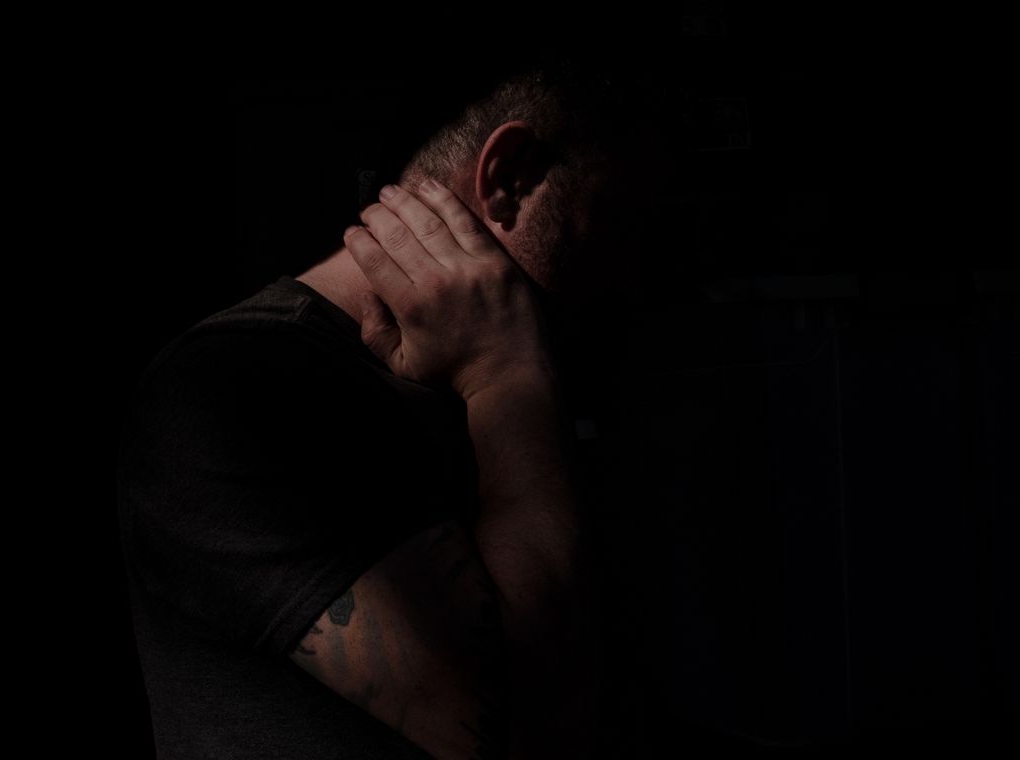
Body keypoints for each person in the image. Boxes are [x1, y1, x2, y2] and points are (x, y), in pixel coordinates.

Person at [117, 59, 684, 759]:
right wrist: (505, 379)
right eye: (621, 225)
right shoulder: (234, 390)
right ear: (511, 179)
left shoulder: (540, 382)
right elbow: (531, 727)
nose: (632, 280)